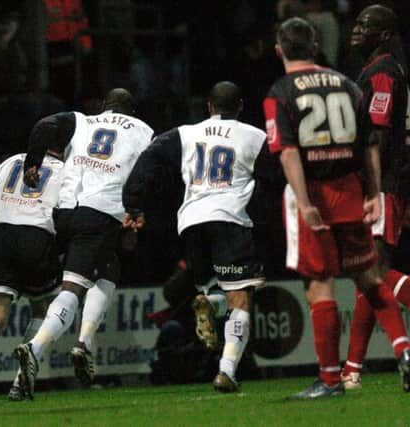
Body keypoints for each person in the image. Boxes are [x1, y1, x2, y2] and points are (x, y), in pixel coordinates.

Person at [263, 17, 410, 399]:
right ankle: (401, 350)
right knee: (368, 277)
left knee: (320, 284)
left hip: (315, 190)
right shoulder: (347, 84)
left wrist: (305, 200)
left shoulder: (280, 91)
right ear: (315, 46)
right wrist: (372, 192)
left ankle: (330, 379)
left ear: (279, 50)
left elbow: (289, 153)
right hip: (353, 189)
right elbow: (370, 143)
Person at [123, 81, 266, 392]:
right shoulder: (255, 137)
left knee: (215, 289)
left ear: (209, 107)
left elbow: (150, 157)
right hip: (229, 218)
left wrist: (133, 201)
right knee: (241, 297)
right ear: (240, 106)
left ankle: (209, 303)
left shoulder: (184, 133)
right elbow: (275, 175)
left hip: (191, 222)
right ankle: (226, 370)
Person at [13, 88, 154, 399]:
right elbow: (145, 173)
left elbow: (43, 127)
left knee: (109, 268)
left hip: (63, 212)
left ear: (104, 107)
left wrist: (33, 162)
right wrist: (136, 208)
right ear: (130, 111)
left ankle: (84, 343)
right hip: (100, 211)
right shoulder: (143, 130)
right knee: (73, 289)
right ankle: (36, 349)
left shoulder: (80, 120)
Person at [0, 119, 66, 400]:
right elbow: (65, 209)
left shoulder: (8, 162)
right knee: (43, 309)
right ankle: (23, 378)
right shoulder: (65, 169)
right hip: (37, 237)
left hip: (1, 235)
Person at [341, 4, 410, 390]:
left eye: (365, 26)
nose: (355, 30)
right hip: (387, 185)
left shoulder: (382, 72)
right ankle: (352, 369)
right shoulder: (380, 69)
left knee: (375, 273)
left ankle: (395, 353)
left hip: (380, 186)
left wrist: (369, 189)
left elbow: (379, 134)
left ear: (383, 35)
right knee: (367, 278)